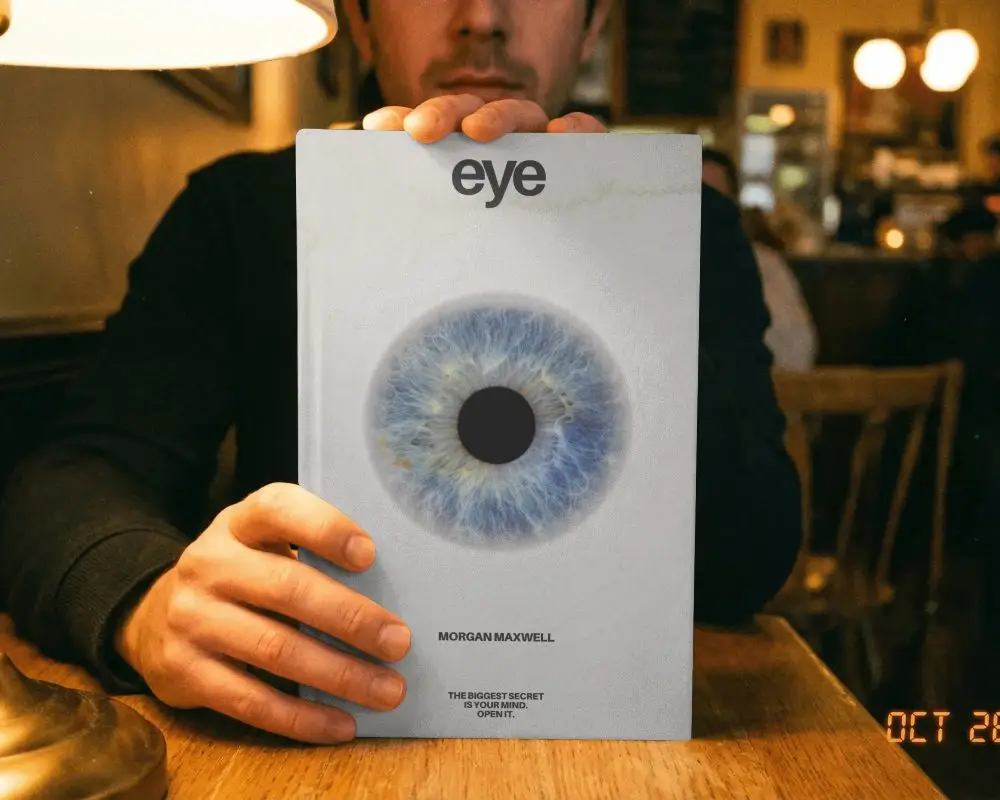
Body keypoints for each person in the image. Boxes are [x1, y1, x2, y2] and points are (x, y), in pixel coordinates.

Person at [0, 0, 801, 745]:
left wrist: (625, 287)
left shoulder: (678, 226)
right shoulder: (241, 210)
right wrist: (145, 605)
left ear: (595, 27)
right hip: (320, 735)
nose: (482, 18)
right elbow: (77, 472)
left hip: (614, 743)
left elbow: (750, 559)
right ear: (359, 17)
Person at [701, 148, 817, 371]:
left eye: (714, 198)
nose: (704, 209)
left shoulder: (762, 262)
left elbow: (799, 351)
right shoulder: (656, 265)